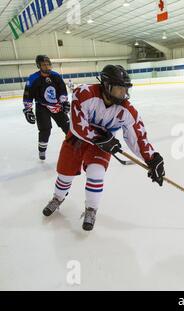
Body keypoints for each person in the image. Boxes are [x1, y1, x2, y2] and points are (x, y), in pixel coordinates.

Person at [42, 65, 165, 231]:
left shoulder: (127, 110)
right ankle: (58, 198)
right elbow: (78, 126)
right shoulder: (84, 93)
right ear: (107, 86)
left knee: (96, 173)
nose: (124, 94)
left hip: (102, 145)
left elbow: (137, 137)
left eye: (125, 89)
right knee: (65, 174)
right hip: (77, 140)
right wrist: (100, 138)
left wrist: (152, 159)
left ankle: (91, 209)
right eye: (119, 89)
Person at [22, 55, 70, 160]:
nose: (47, 66)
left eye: (48, 64)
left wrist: (64, 102)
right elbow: (28, 95)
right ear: (39, 66)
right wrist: (28, 110)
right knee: (45, 130)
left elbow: (62, 90)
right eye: (44, 65)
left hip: (57, 106)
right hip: (42, 107)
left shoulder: (56, 76)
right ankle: (42, 151)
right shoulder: (33, 78)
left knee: (68, 128)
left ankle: (75, 148)